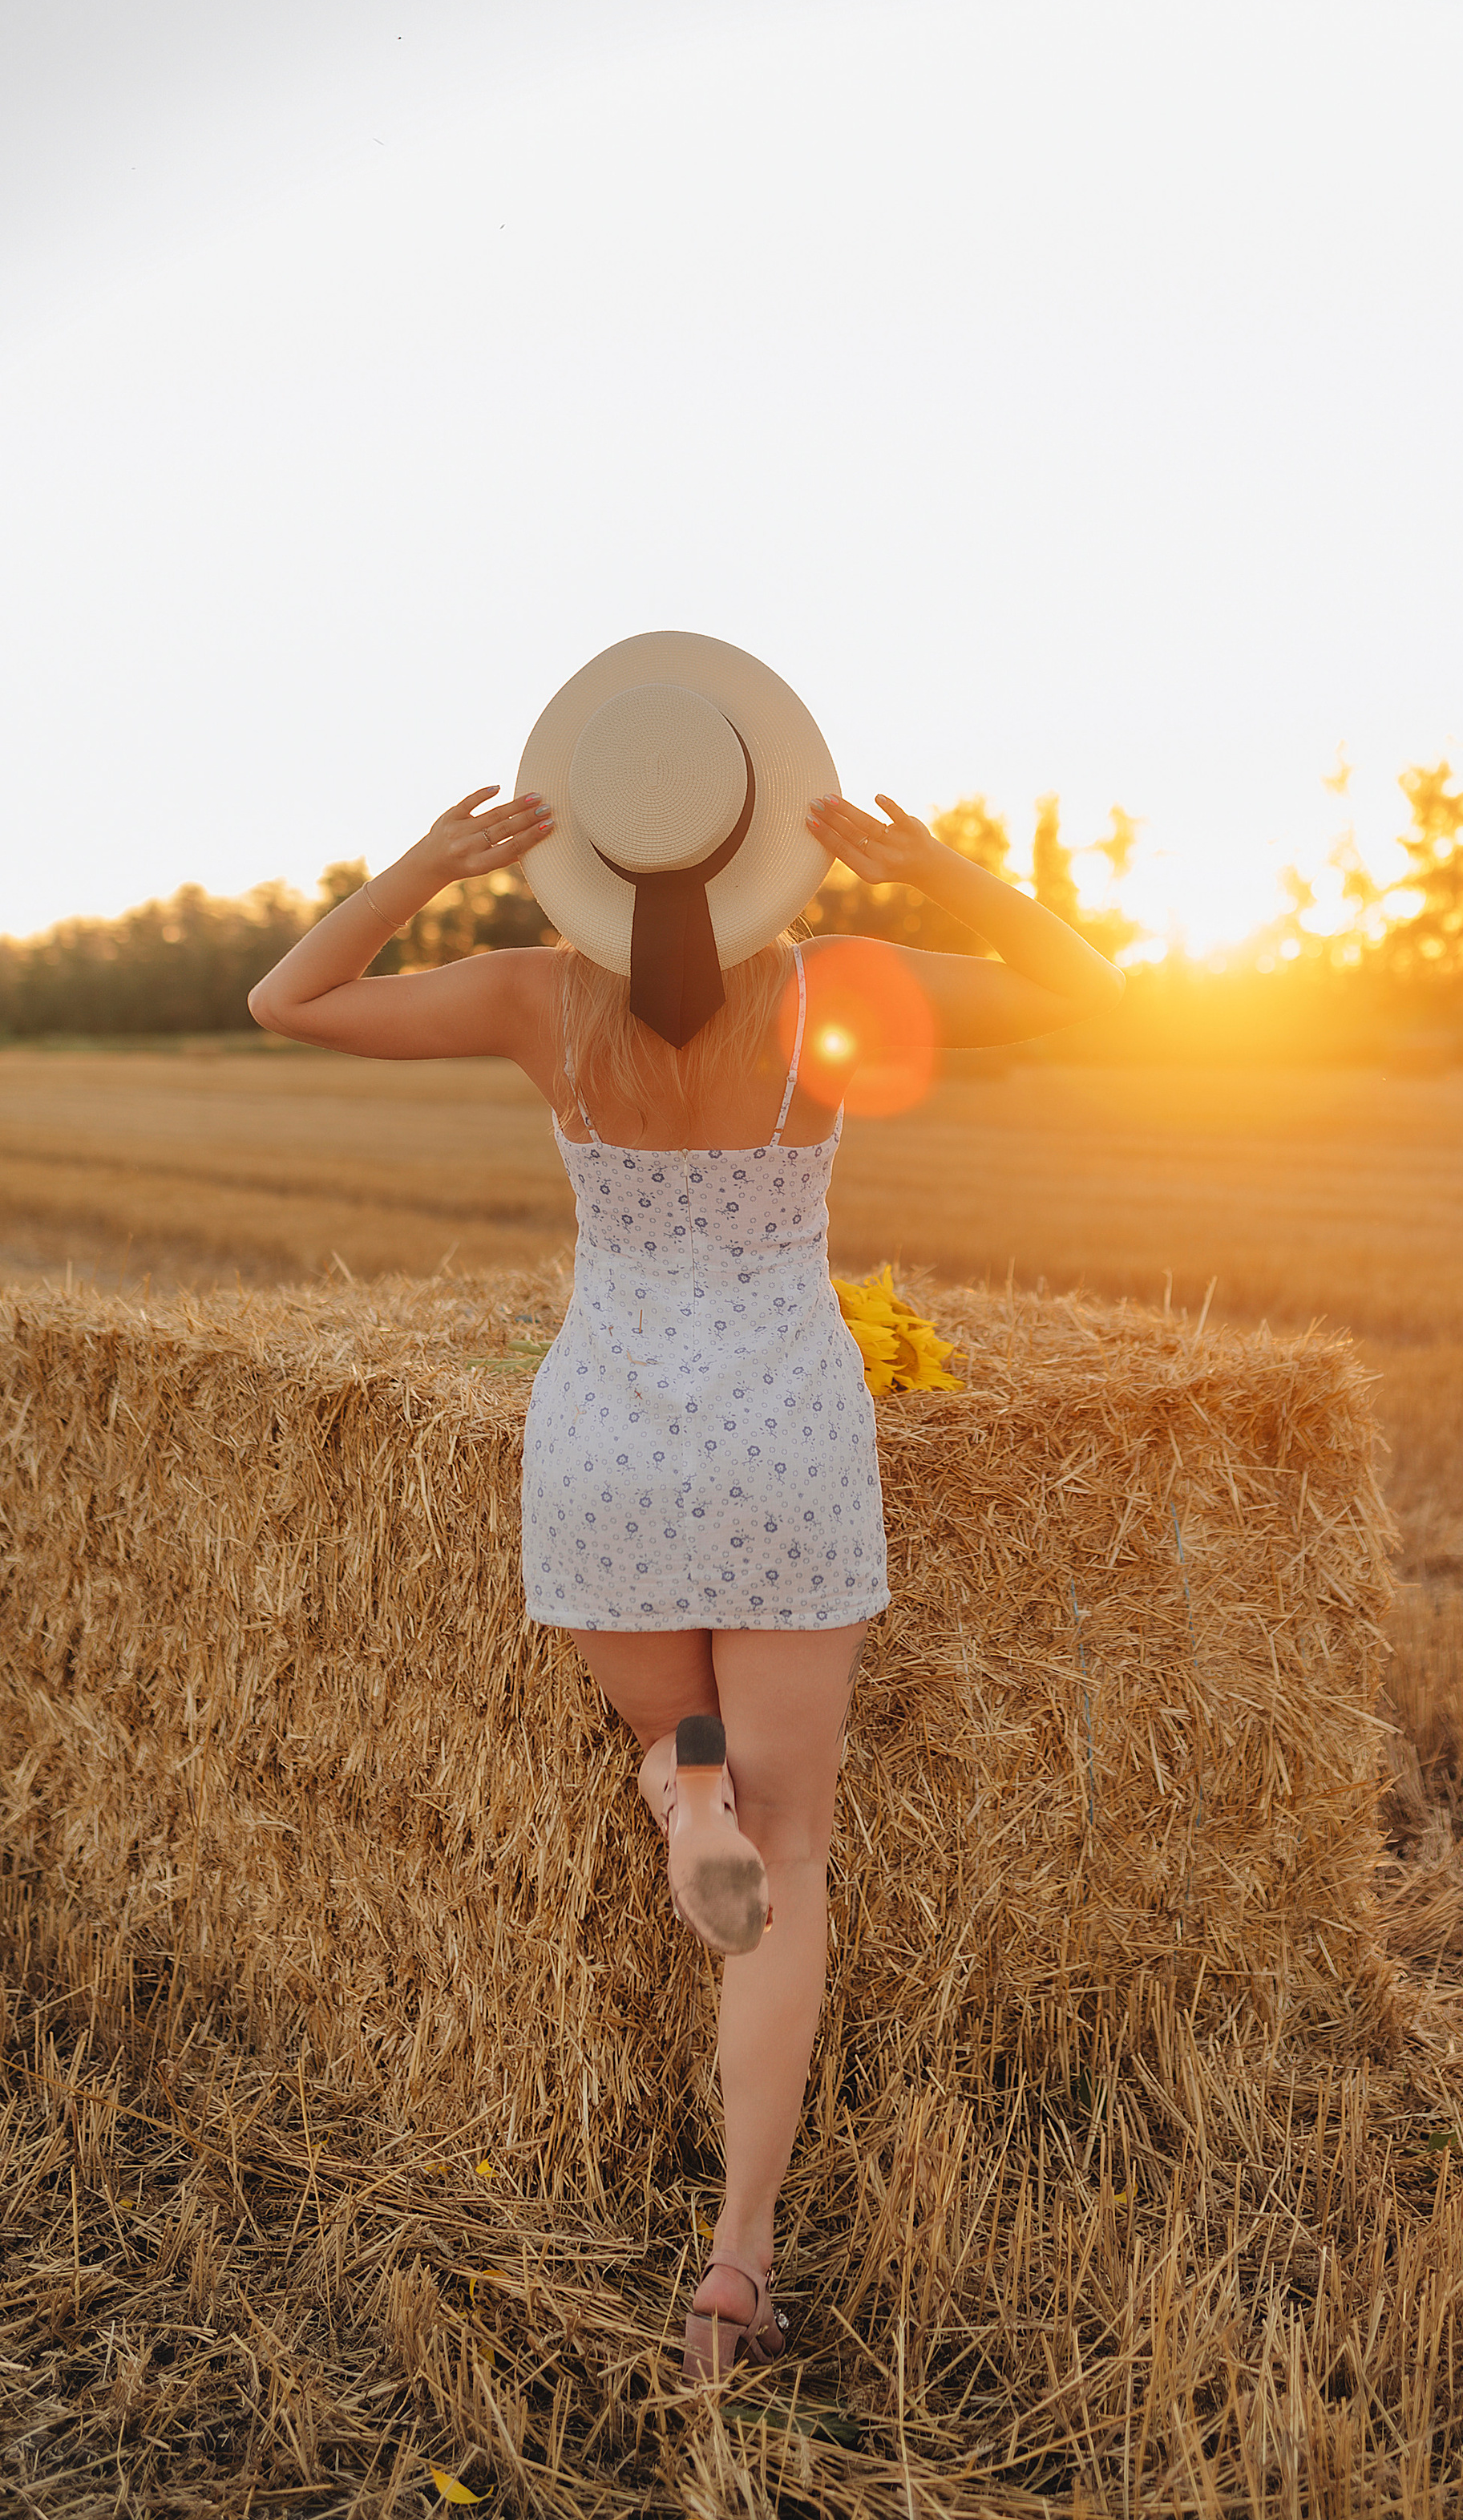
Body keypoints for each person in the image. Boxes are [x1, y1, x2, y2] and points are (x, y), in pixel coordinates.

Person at [247, 632, 1122, 2380]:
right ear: (760, 841)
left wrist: (423, 868)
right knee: (794, 1863)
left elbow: (293, 1000)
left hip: (611, 1439)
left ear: (596, 844)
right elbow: (1093, 990)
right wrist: (939, 871)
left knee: (691, 1743)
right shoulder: (838, 982)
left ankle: (679, 1775)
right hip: (786, 1431)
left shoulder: (530, 995)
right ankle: (736, 2257)